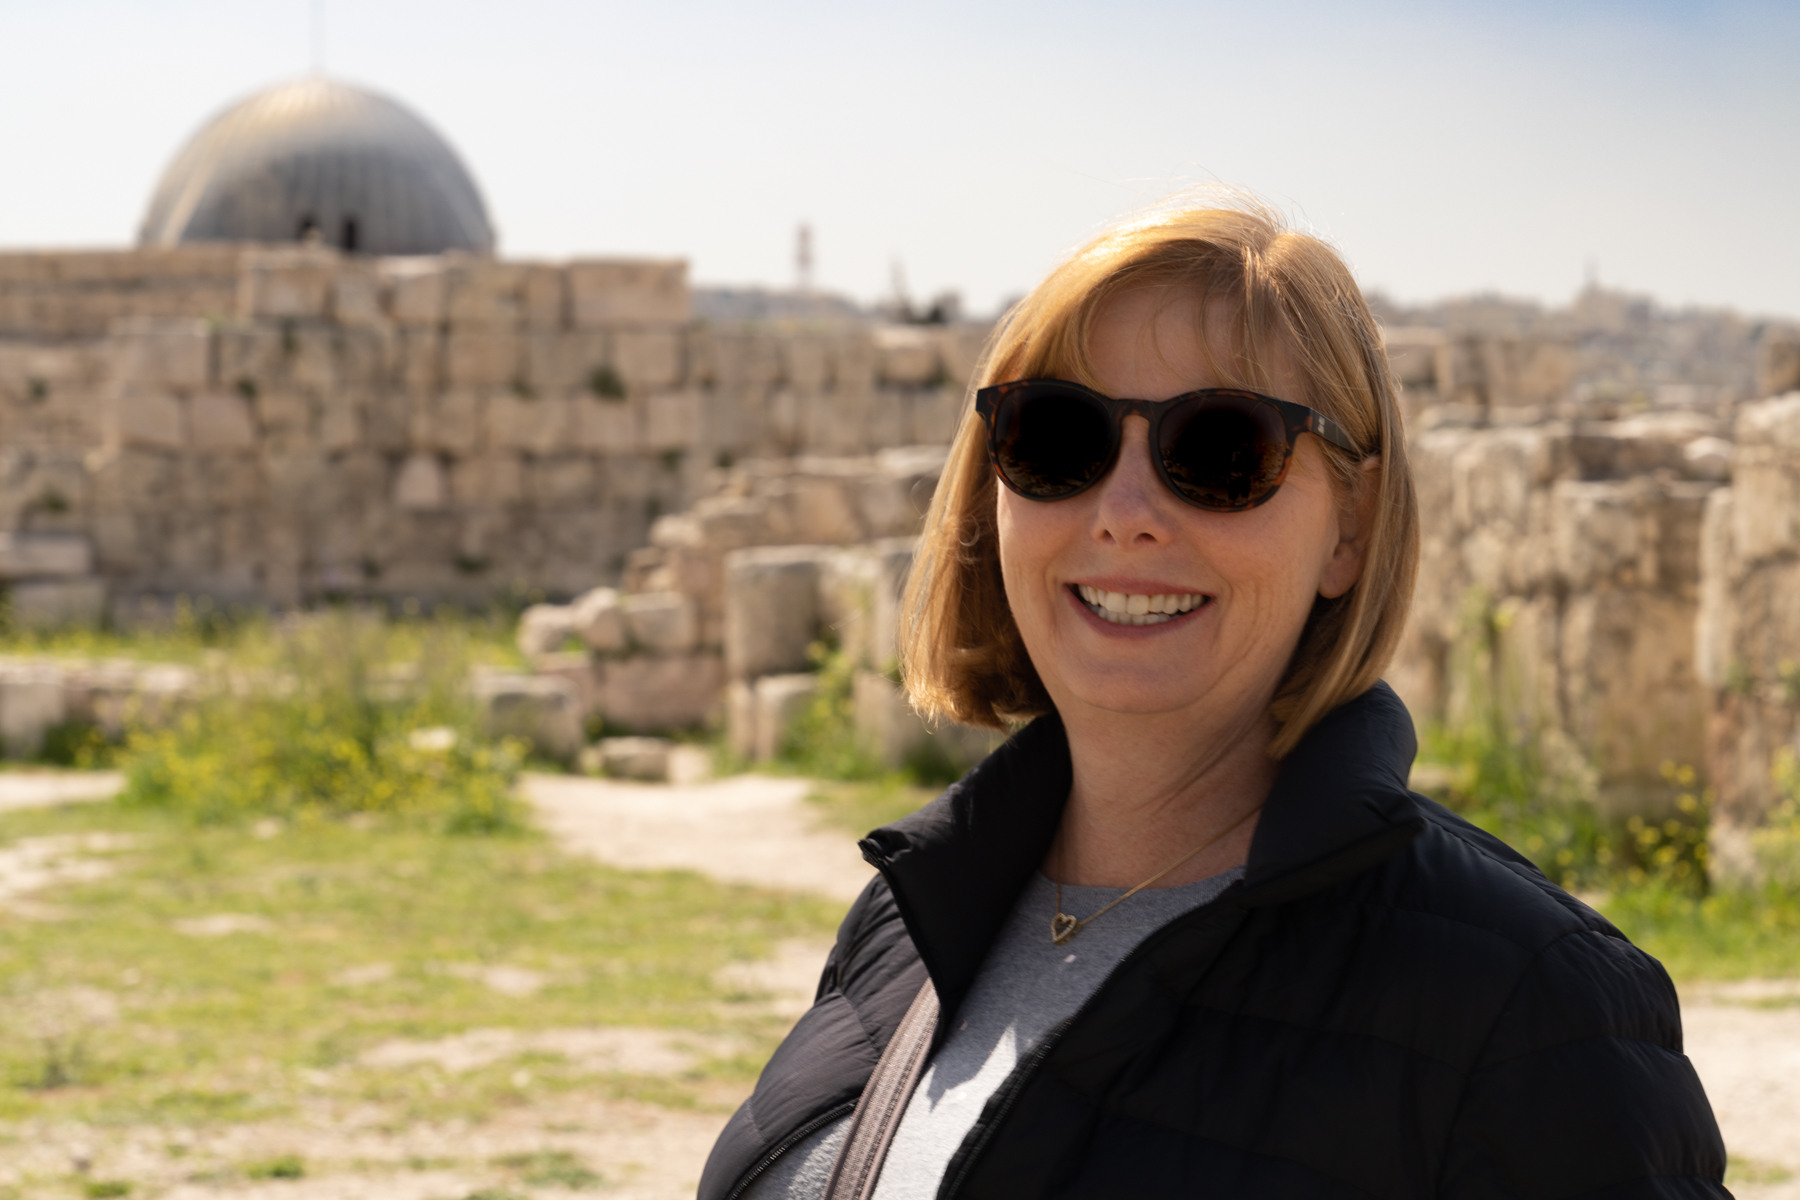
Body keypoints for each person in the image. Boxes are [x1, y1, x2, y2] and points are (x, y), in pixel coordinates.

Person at [698, 201, 1728, 1200]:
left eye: (1222, 451)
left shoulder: (1528, 1009)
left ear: (1351, 526)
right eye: (1055, 436)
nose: (1125, 514)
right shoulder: (906, 920)